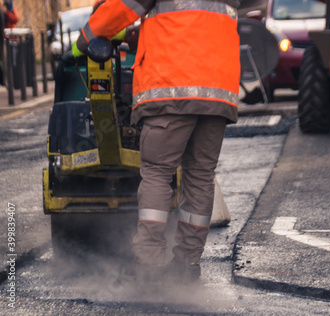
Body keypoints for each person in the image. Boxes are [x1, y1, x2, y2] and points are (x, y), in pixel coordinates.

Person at [71, 0, 240, 283]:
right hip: (218, 89)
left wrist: (85, 38)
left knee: (157, 173)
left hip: (171, 85)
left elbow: (124, 6)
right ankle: (186, 267)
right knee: (200, 176)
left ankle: (148, 264)